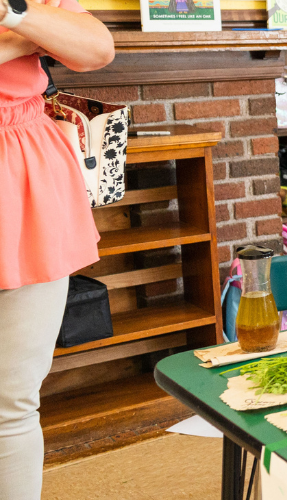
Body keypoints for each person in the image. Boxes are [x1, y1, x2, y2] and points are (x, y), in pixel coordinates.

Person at [0, 0, 115, 497]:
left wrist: (11, 14)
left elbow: (94, 47)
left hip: (24, 171)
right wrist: (26, 39)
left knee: (11, 400)